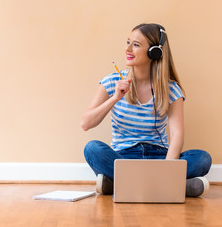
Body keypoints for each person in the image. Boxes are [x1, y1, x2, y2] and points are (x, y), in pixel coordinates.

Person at [81, 23, 212, 197]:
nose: (127, 49)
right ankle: (171, 186)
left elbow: (177, 136)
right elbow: (85, 123)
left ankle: (120, 185)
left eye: (135, 45)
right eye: (128, 42)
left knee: (202, 158)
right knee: (92, 148)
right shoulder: (112, 82)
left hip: (160, 158)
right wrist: (115, 98)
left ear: (154, 52)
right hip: (123, 159)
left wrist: (168, 166)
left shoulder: (171, 89)